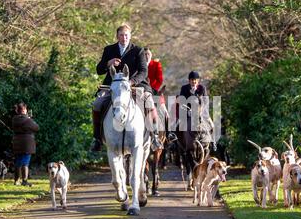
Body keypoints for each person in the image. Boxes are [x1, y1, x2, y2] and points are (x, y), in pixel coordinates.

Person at [91, 24, 162, 152]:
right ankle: (97, 139)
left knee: (150, 102)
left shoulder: (138, 50)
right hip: (112, 85)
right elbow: (99, 70)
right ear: (117, 36)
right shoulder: (109, 50)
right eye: (121, 35)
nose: (124, 38)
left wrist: (131, 82)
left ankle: (155, 136)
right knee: (97, 103)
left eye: (126, 35)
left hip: (135, 85)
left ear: (130, 36)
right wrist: (109, 63)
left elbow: (143, 71)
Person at [178, 71, 216, 152]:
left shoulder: (202, 88)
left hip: (201, 112)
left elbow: (205, 102)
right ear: (189, 80)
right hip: (187, 111)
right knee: (177, 124)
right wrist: (188, 110)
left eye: (195, 80)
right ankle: (177, 141)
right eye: (192, 80)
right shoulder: (184, 88)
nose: (193, 81)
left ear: (198, 81)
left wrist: (201, 110)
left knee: (212, 125)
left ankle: (213, 143)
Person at [12, 102, 39, 187]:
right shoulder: (27, 120)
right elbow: (36, 127)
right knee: (25, 162)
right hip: (27, 143)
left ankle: (16, 180)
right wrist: (30, 119)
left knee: (18, 162)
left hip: (17, 141)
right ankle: (24, 181)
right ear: (24, 110)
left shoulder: (14, 119)